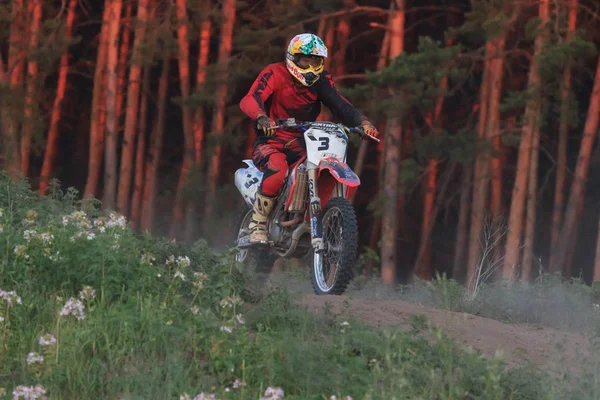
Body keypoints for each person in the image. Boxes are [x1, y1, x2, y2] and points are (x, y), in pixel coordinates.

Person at [239, 32, 379, 245]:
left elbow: (340, 103)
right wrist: (261, 117)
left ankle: (310, 216)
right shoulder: (275, 73)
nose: (312, 66)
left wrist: (363, 122)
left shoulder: (321, 81)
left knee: (318, 164)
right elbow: (251, 98)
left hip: (302, 142)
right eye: (306, 60)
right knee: (277, 168)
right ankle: (258, 223)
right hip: (271, 141)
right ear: (293, 58)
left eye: (317, 61)